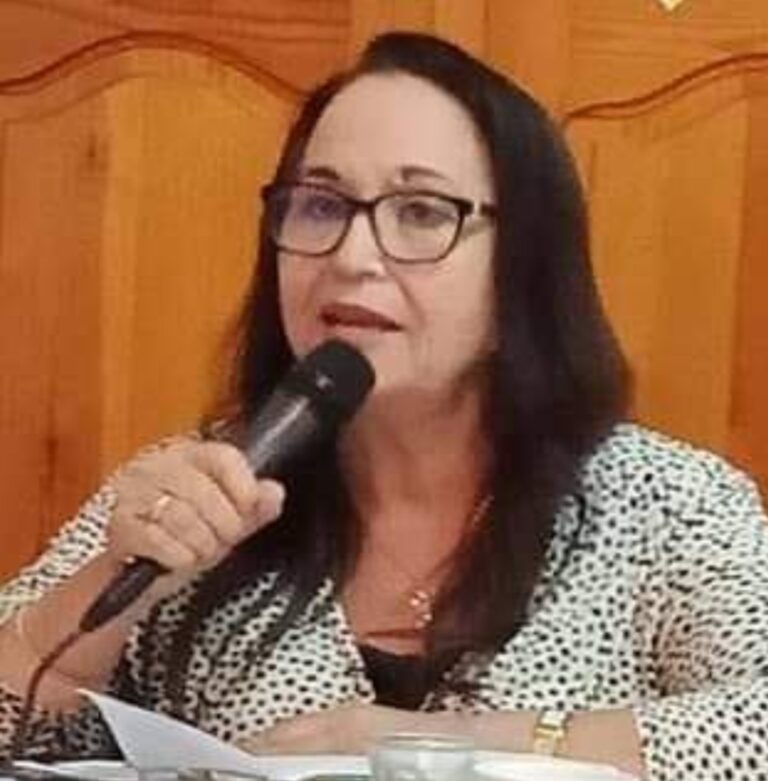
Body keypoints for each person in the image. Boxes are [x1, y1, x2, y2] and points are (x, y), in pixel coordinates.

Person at [0, 31, 767, 781]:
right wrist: (115, 583)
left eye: (422, 211)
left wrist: (446, 741)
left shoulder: (667, 502)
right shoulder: (202, 483)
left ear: (524, 263)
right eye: (320, 204)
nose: (351, 256)